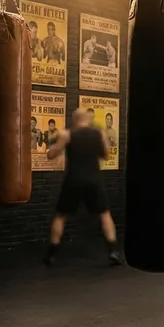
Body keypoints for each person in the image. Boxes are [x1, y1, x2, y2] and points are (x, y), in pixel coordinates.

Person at [43, 109, 121, 266]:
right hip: (94, 179)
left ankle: (51, 254)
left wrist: (52, 146)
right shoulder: (100, 134)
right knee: (105, 214)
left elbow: (51, 155)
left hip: (74, 179)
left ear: (74, 119)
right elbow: (106, 155)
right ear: (88, 119)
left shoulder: (67, 134)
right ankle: (113, 251)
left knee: (61, 216)